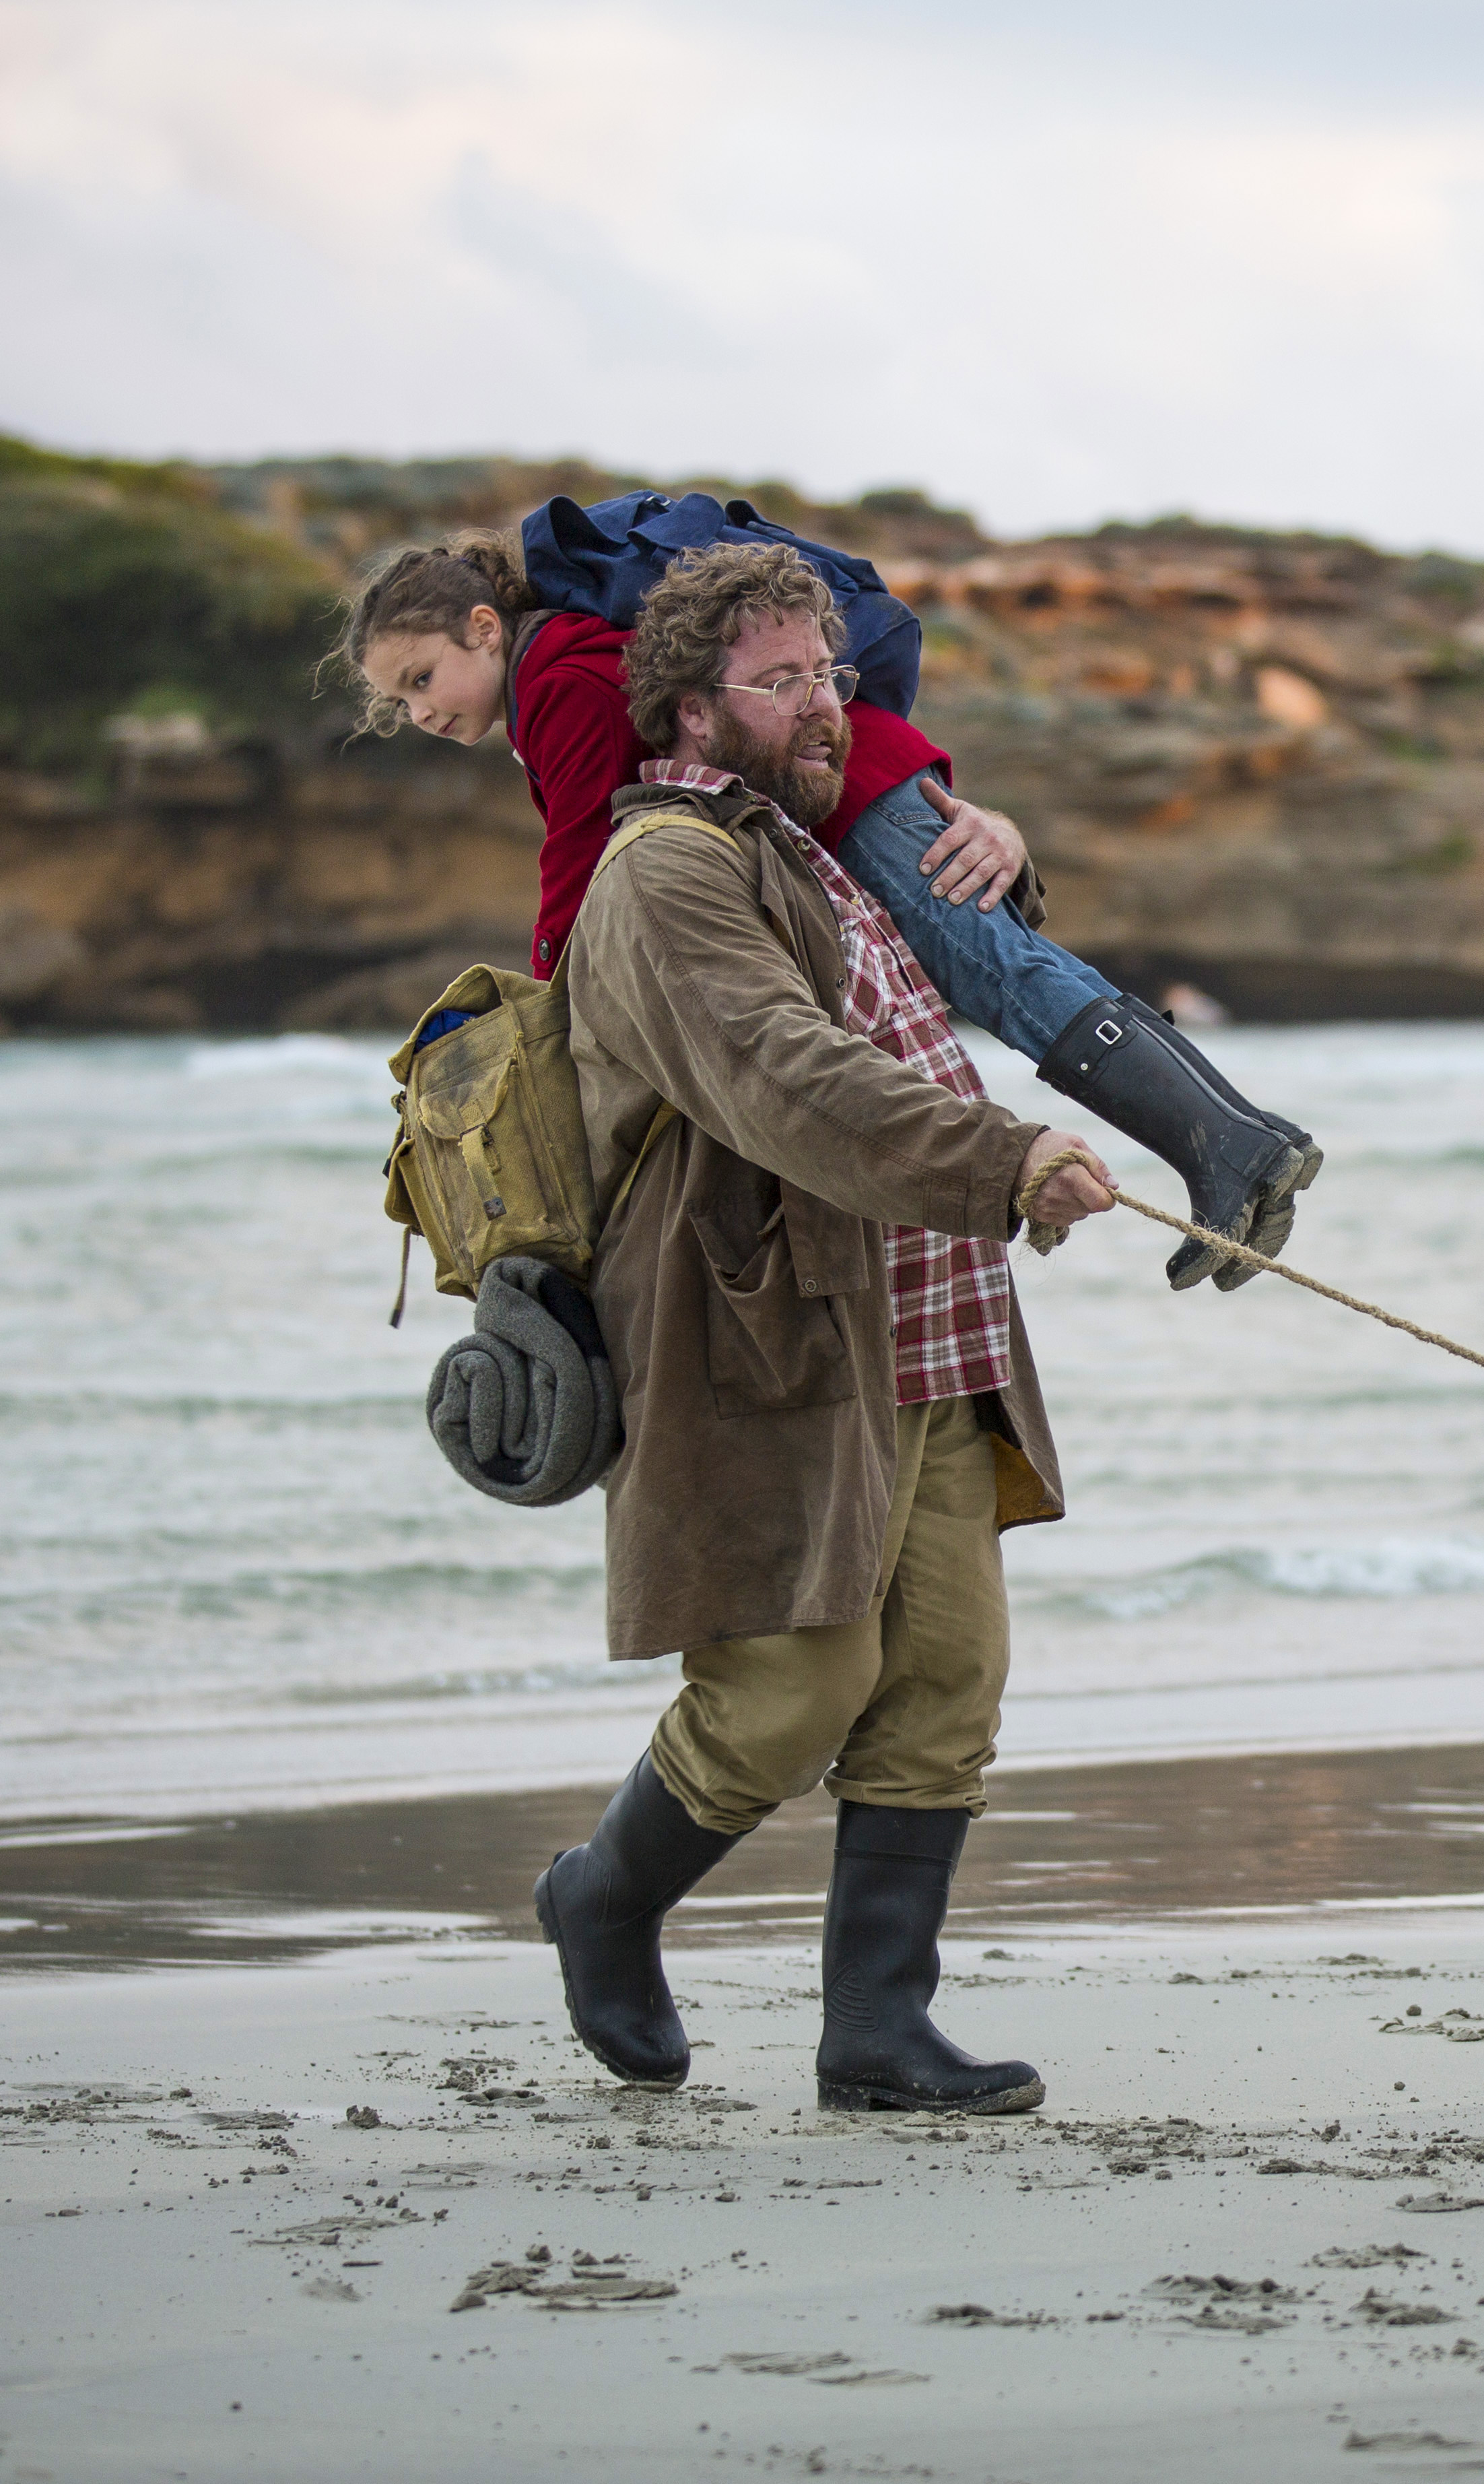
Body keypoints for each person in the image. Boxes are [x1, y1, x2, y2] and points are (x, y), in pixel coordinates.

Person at [507, 541, 1110, 2112]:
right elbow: (783, 1075)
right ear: (690, 712)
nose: (824, 704)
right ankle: (605, 1897)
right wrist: (1007, 1157)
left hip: (931, 1323)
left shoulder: (823, 843)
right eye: (780, 679)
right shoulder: (665, 871)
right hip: (769, 1338)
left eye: (831, 673)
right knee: (786, 1690)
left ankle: (877, 2033)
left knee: (944, 1688)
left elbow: (956, 977)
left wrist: (1000, 842)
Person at [338, 531, 1319, 1290]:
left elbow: (581, 853)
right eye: (397, 703)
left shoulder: (550, 676)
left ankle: (1230, 1146)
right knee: (1010, 970)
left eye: (420, 679)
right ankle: (1237, 1140)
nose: (419, 713)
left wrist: (559, 995)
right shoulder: (558, 667)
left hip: (855, 793)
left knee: (1005, 975)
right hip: (858, 785)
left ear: (480, 626)